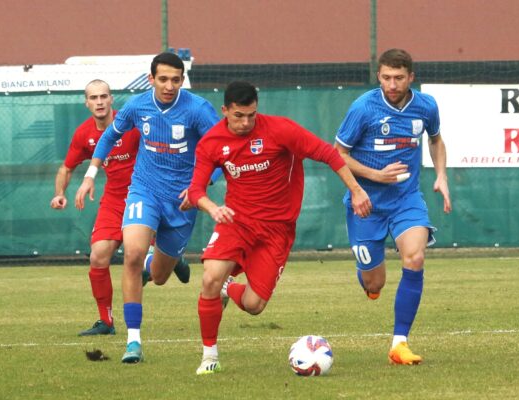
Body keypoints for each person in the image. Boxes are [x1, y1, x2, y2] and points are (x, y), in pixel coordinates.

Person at [186, 81, 372, 375]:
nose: (246, 122)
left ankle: (228, 288)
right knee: (209, 277)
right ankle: (210, 356)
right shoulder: (210, 142)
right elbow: (195, 189)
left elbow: (329, 153)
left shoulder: (280, 130)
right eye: (238, 116)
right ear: (225, 111)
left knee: (254, 305)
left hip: (276, 231)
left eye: (251, 115)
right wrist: (212, 207)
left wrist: (357, 190)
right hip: (236, 221)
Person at [75, 52, 220, 363]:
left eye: (176, 80)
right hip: (144, 191)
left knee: (159, 275)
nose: (169, 86)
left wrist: (201, 186)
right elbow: (110, 136)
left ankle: (163, 259)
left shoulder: (197, 109)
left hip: (182, 201)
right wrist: (90, 175)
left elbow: (223, 150)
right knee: (132, 254)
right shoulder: (137, 106)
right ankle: (134, 341)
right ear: (151, 79)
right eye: (163, 79)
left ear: (183, 81)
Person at [334, 48, 452, 365]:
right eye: (386, 77)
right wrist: (373, 177)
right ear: (379, 76)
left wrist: (441, 175)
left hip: (406, 198)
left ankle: (399, 343)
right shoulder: (363, 108)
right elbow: (338, 155)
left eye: (399, 78)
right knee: (375, 284)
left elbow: (436, 140)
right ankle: (369, 281)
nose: (392, 84)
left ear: (411, 77)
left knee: (414, 257)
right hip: (365, 202)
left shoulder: (426, 106)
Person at [51, 79, 190, 337]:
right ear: (87, 103)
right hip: (114, 199)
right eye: (94, 97)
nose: (100, 101)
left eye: (104, 96)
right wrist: (60, 194)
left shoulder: (134, 123)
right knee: (98, 256)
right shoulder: (84, 134)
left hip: (147, 194)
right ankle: (106, 321)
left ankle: (167, 257)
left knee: (141, 261)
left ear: (112, 99)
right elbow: (67, 167)